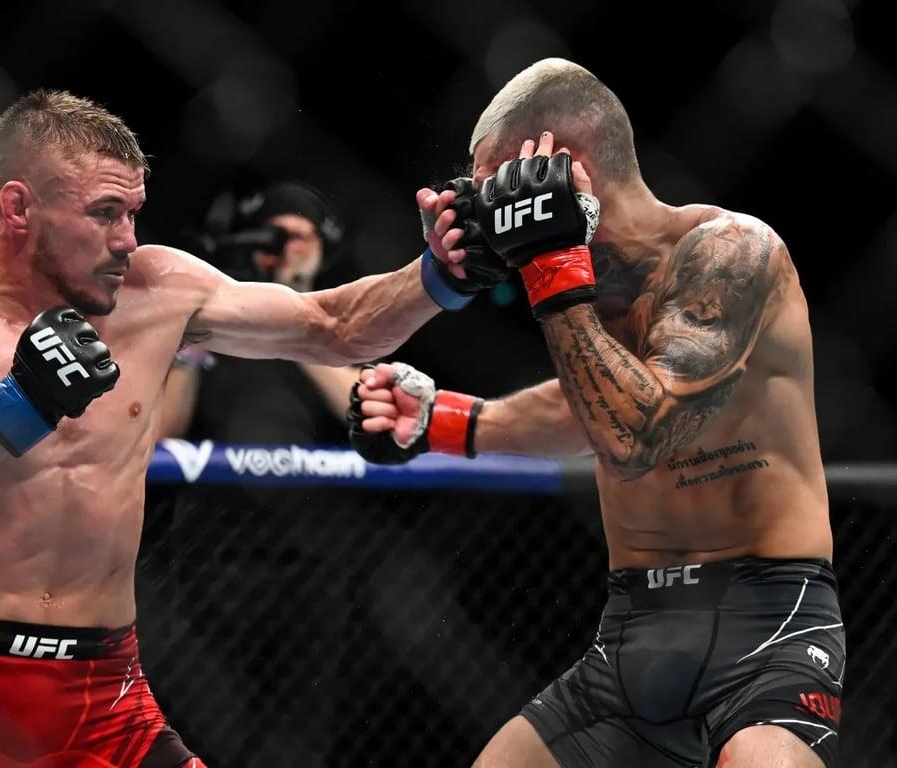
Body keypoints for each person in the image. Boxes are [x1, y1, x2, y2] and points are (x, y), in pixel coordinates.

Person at [0, 88, 489, 768]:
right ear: (19, 208)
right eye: (105, 214)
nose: (128, 240)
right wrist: (11, 412)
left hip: (102, 695)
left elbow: (335, 325)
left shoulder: (159, 292)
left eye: (134, 213)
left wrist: (439, 272)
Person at [349, 58, 843, 768]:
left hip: (765, 624)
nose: (488, 210)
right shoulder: (593, 291)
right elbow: (589, 402)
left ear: (559, 164)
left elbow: (638, 431)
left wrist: (553, 263)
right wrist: (444, 423)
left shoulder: (732, 254)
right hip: (633, 631)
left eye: (496, 185)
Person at [160, 179, 362, 444]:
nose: (288, 250)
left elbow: (363, 410)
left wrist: (296, 316)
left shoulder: (345, 314)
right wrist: (190, 348)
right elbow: (160, 436)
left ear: (322, 248)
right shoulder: (216, 316)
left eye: (299, 238)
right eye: (276, 237)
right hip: (214, 478)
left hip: (317, 478)